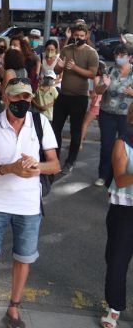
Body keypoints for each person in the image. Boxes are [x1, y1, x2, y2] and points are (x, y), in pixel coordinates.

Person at [0, 77, 60, 328]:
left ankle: (14, 308)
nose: (22, 101)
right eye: (16, 97)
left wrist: (36, 166)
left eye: (26, 97)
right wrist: (10, 168)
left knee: (24, 258)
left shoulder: (40, 123)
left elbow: (55, 164)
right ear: (5, 98)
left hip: (28, 206)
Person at [101, 107, 133, 328]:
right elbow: (120, 179)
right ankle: (114, 308)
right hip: (125, 211)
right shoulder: (123, 143)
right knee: (117, 261)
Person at [53, 23, 99, 176]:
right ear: (72, 35)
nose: (78, 38)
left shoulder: (91, 53)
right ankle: (54, 158)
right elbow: (56, 70)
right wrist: (59, 66)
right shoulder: (66, 49)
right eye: (76, 35)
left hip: (79, 97)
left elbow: (92, 74)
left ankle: (70, 161)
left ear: (86, 36)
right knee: (55, 128)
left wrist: (75, 68)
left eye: (81, 36)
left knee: (75, 131)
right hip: (63, 95)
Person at [94, 46, 133, 188]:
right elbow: (97, 91)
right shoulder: (109, 71)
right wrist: (104, 85)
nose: (119, 57)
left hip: (127, 117)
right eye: (117, 54)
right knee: (107, 146)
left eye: (122, 54)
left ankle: (123, 176)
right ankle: (103, 176)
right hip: (107, 114)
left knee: (126, 148)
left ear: (129, 57)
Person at [81, 63, 107, 151]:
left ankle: (79, 144)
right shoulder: (106, 78)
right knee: (102, 127)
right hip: (103, 104)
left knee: (85, 124)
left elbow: (95, 92)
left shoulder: (97, 78)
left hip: (96, 105)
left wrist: (88, 94)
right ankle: (105, 145)